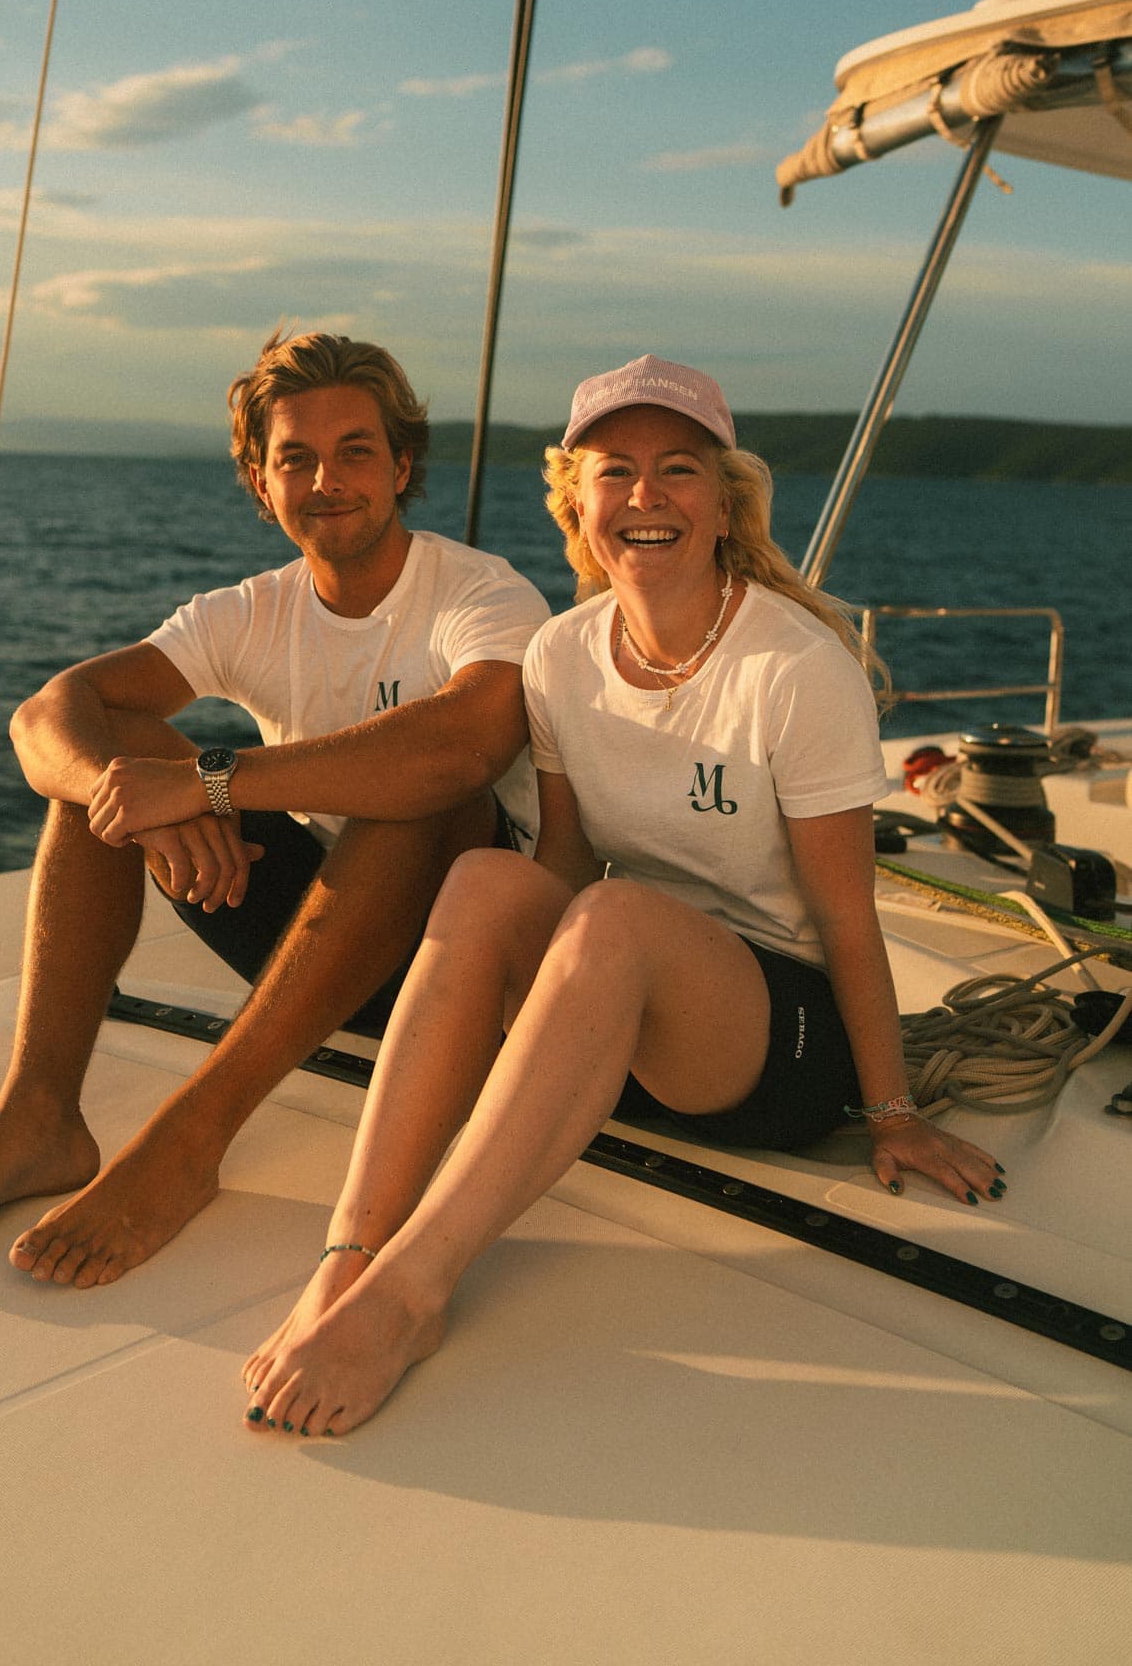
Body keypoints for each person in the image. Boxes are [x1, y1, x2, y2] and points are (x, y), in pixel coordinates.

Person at [239, 353, 1008, 1438]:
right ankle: (350, 1252)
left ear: (724, 502)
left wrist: (891, 1111)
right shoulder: (559, 655)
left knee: (613, 915)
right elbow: (559, 857)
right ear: (577, 500)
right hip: (625, 1001)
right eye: (614, 471)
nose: (644, 495)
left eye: (677, 469)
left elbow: (845, 914)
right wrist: (516, 996)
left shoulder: (793, 667)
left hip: (775, 1041)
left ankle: (411, 1293)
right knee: (487, 875)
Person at [0, 327, 548, 1287]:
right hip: (331, 947)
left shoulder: (478, 592)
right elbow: (44, 717)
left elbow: (467, 744)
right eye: (296, 458)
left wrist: (210, 782)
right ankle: (40, 1114)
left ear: (402, 466)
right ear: (258, 479)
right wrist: (153, 794)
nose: (328, 479)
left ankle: (192, 1138)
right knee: (110, 760)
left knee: (424, 799)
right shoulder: (251, 610)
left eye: (357, 450)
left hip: (466, 967)